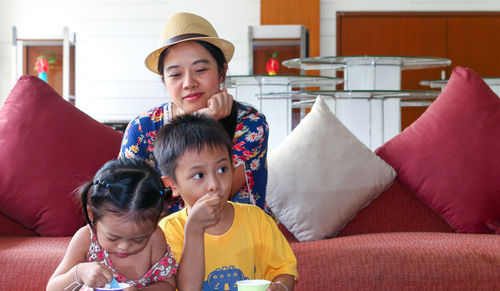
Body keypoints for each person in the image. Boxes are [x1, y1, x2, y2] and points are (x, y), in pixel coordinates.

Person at [119, 12, 271, 216]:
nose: (189, 83)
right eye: (175, 74)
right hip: (165, 241)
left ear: (222, 72)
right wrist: (202, 120)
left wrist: (208, 124)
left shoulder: (250, 124)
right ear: (164, 81)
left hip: (238, 237)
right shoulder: (142, 128)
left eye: (200, 70)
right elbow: (126, 200)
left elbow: (214, 198)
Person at [154, 114, 297, 291]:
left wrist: (280, 287)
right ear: (172, 185)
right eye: (199, 175)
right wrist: (194, 230)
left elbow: (283, 271)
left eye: (222, 169)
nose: (214, 184)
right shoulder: (168, 231)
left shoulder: (257, 220)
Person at [46, 159, 178, 291]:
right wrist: (78, 274)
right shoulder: (86, 239)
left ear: (155, 222)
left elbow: (168, 285)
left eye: (138, 239)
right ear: (92, 215)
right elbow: (52, 289)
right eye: (112, 238)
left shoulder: (155, 238)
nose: (124, 247)